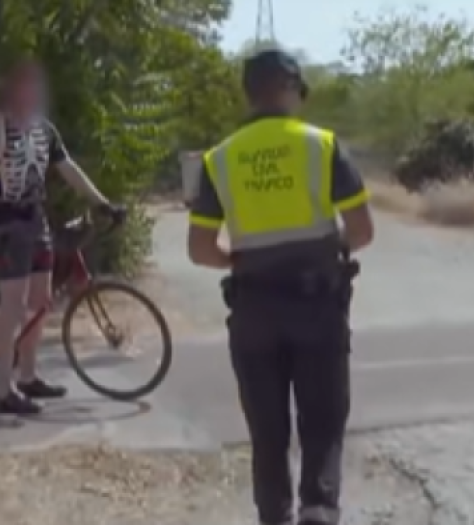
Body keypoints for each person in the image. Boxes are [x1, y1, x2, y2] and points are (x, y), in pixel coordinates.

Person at [186, 48, 375, 525]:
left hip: (253, 310)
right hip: (317, 306)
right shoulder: (323, 145)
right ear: (290, 89)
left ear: (249, 94)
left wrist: (244, 258)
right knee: (323, 423)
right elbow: (363, 231)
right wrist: (327, 249)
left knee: (268, 433)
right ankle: (318, 509)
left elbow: (200, 249)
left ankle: (276, 515)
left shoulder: (220, 158)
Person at [0, 58, 125, 414]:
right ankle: (3, 390)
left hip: (36, 217)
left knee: (41, 301)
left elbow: (67, 168)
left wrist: (102, 202)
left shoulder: (45, 129)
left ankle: (28, 376)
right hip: (8, 220)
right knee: (13, 304)